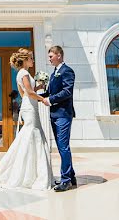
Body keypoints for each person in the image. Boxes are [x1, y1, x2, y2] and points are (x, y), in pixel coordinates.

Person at [0, 49, 53, 190]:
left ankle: (30, 172)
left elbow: (23, 93)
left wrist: (38, 87)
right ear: (25, 59)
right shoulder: (24, 73)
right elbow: (29, 93)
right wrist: (43, 98)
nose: (33, 60)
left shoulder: (21, 74)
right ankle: (29, 173)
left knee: (29, 136)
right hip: (30, 108)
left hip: (28, 106)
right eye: (31, 58)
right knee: (31, 135)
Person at [42, 44, 76, 191]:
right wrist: (34, 95)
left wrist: (50, 100)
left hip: (63, 114)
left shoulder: (67, 71)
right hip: (54, 115)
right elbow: (49, 92)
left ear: (59, 55)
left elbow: (67, 91)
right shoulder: (53, 73)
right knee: (62, 147)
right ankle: (72, 177)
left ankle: (66, 180)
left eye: (51, 56)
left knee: (63, 147)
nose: (49, 59)